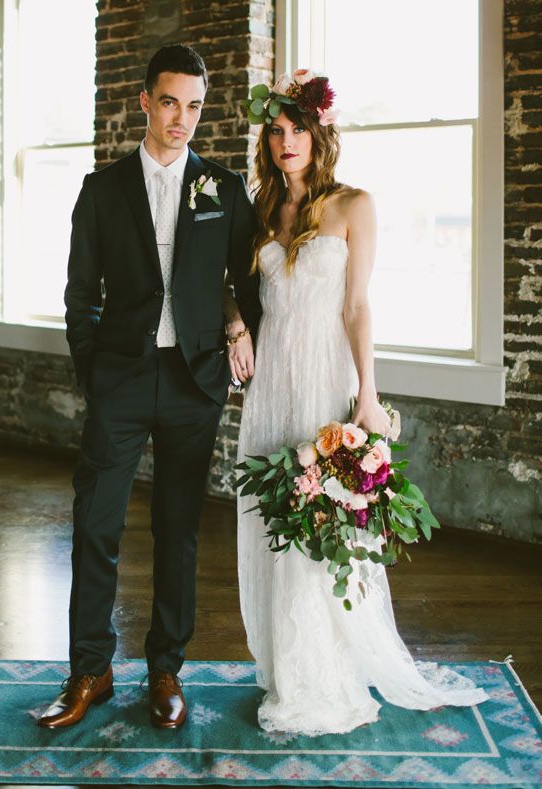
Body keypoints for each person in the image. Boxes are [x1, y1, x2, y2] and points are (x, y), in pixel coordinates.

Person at [228, 69, 488, 735]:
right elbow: (234, 286)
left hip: (324, 384)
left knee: (323, 526)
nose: (286, 141)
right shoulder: (260, 209)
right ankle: (285, 666)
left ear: (318, 135)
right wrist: (234, 325)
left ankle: (324, 676)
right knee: (273, 523)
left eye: (297, 130)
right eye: (276, 131)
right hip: (270, 388)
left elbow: (357, 305)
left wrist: (367, 395)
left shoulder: (353, 205)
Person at [38, 43, 261, 732]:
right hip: (123, 381)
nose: (182, 119)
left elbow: (249, 283)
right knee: (95, 523)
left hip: (195, 383)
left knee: (178, 531)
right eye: (170, 102)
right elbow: (79, 294)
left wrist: (236, 331)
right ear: (145, 101)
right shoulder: (101, 190)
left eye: (194, 106)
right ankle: (90, 670)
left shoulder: (223, 190)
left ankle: (166, 667)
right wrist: (95, 372)